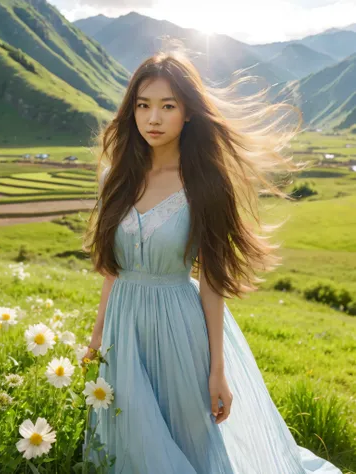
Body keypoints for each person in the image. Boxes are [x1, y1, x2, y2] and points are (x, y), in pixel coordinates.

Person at [81, 51, 343, 473]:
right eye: (143, 105)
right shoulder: (116, 175)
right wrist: (97, 337)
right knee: (128, 442)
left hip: (179, 328)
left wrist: (218, 371)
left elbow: (212, 281)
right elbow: (112, 268)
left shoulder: (204, 181)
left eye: (168, 106)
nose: (153, 118)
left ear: (188, 113)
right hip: (122, 328)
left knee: (192, 445)